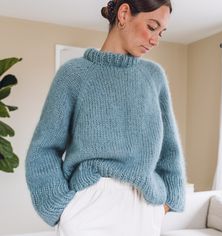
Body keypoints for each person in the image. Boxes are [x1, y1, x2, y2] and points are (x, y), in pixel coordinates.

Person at [25, 0, 186, 235]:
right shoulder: (73, 75)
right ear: (123, 13)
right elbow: (44, 149)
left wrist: (165, 205)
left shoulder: (154, 77)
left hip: (143, 208)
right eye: (152, 27)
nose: (155, 40)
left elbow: (170, 151)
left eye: (161, 33)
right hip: (89, 205)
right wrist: (60, 207)